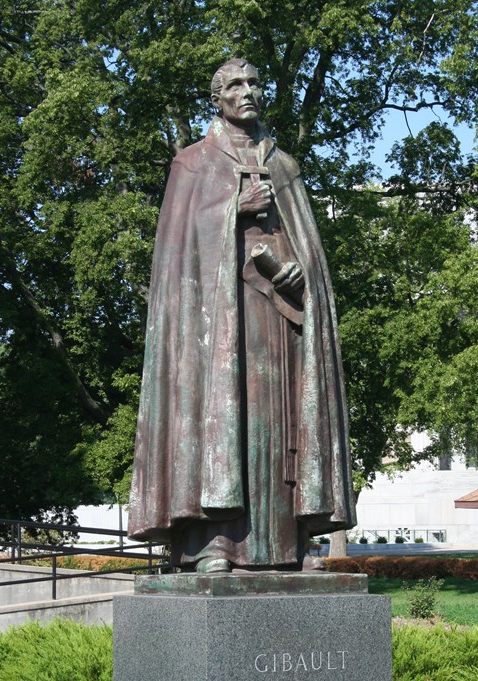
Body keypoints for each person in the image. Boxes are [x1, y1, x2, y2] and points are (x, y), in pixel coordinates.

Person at [127, 59, 355, 572]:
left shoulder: (284, 165)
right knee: (224, 421)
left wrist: (300, 272)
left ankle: (288, 546)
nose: (247, 92)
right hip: (219, 328)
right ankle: (213, 546)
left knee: (279, 421)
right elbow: (179, 256)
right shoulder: (192, 163)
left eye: (254, 83)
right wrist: (235, 206)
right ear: (218, 98)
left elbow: (309, 250)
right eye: (235, 85)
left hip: (277, 318)